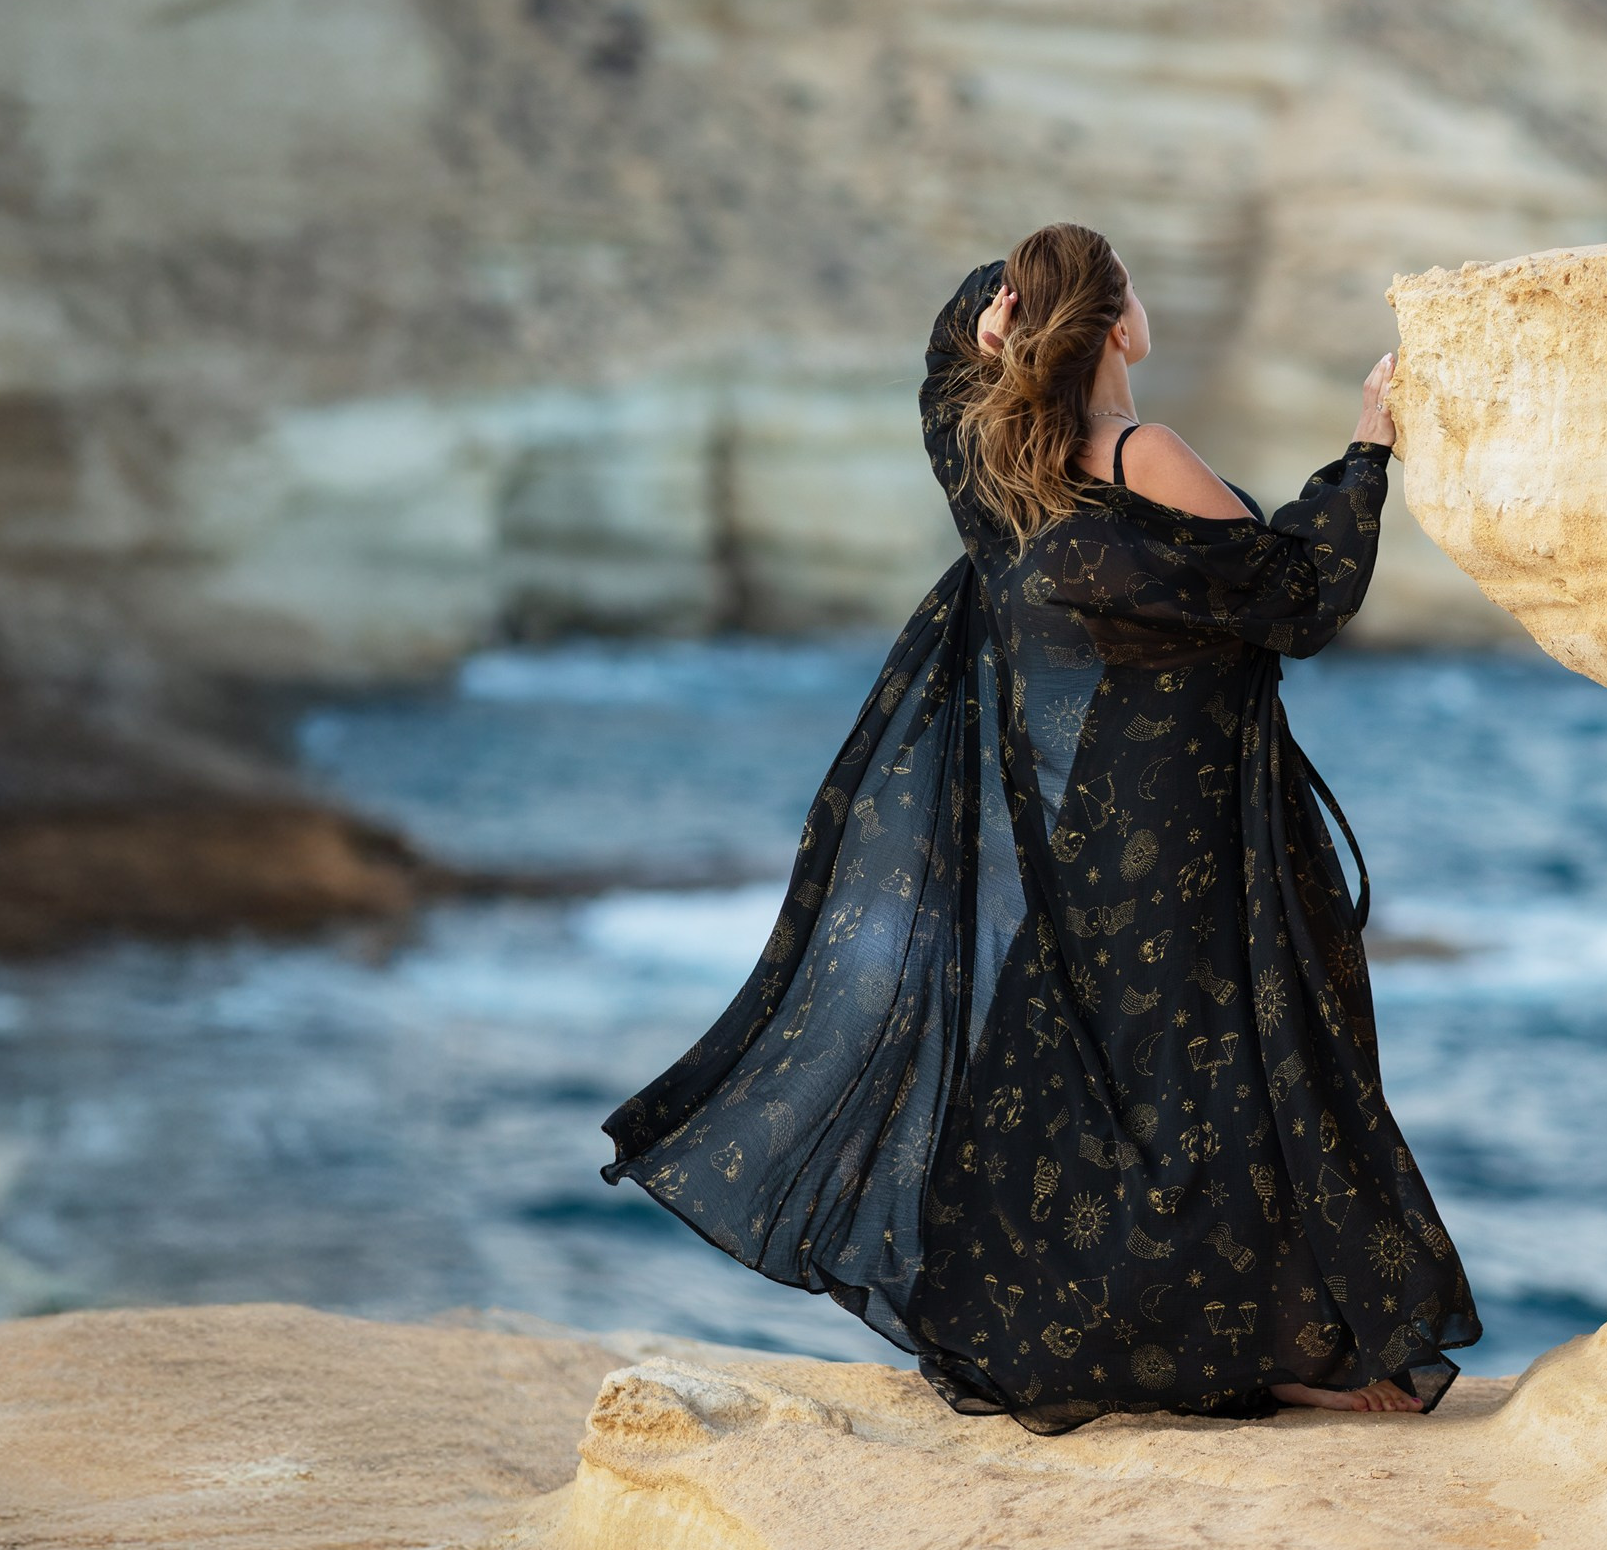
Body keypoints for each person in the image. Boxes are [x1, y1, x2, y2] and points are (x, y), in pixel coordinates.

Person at [603, 222, 1478, 1429]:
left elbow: (940, 386)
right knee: (1224, 1068)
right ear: (1118, 322)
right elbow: (1299, 594)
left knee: (1111, 1074)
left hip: (1089, 826)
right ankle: (1277, 1348)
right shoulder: (1138, 453)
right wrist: (1367, 448)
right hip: (1188, 824)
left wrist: (985, 321)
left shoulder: (1001, 479)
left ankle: (1182, 1337)